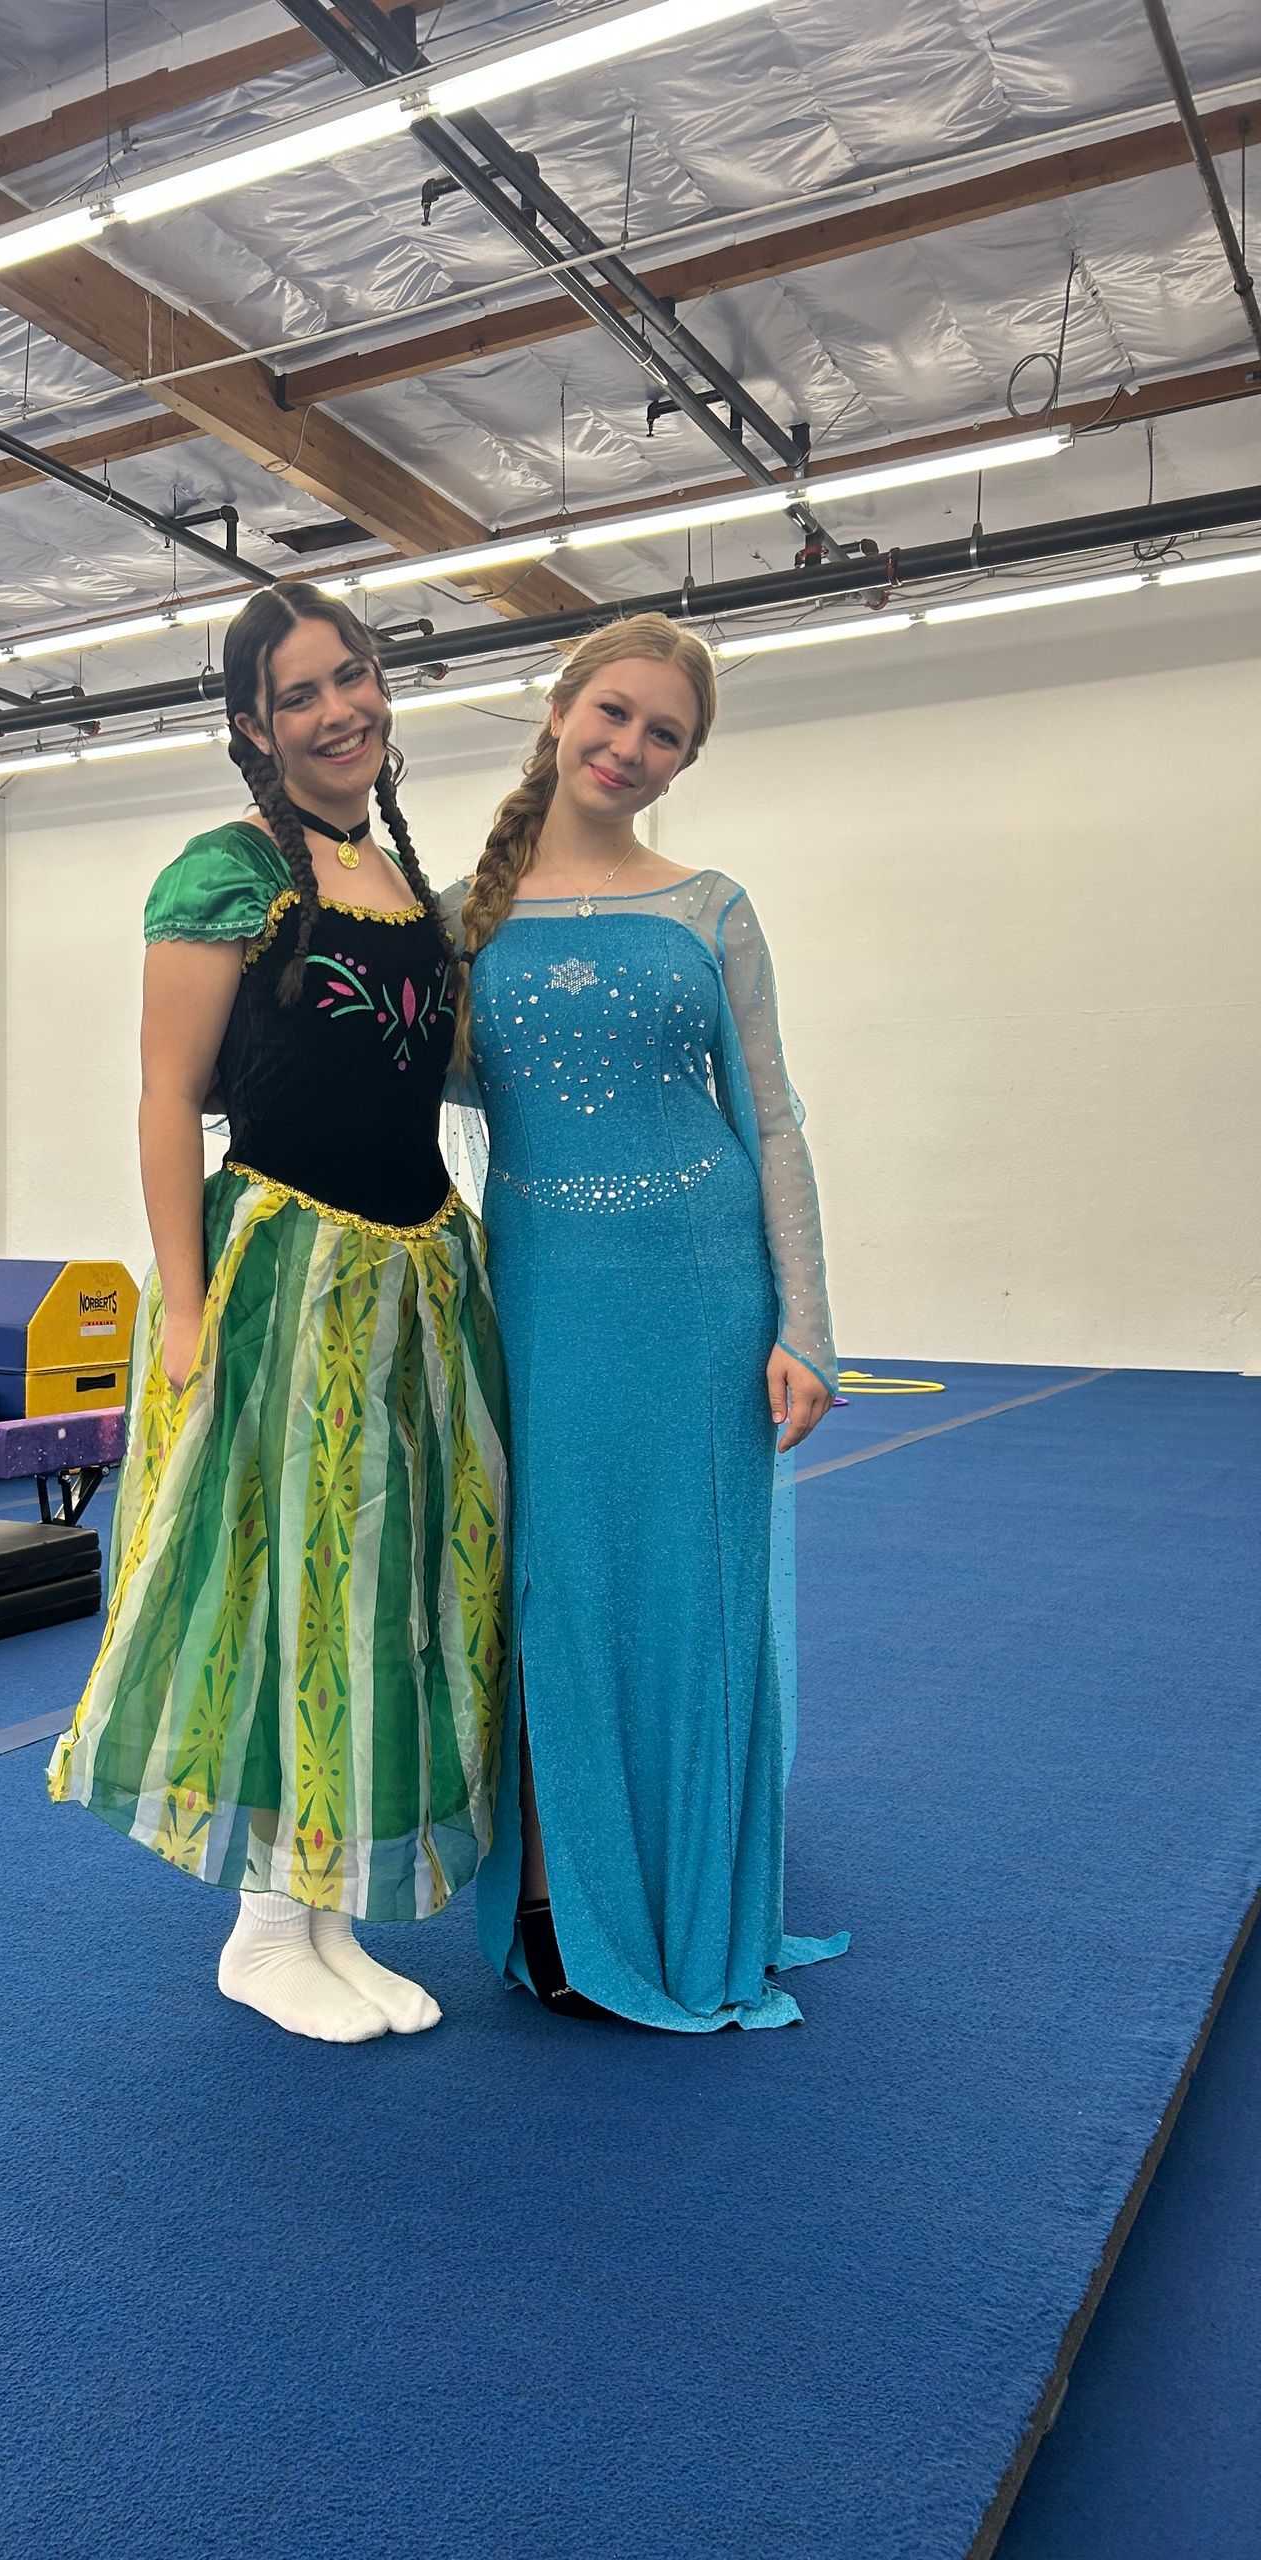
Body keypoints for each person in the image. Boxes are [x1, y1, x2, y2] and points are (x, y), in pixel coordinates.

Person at [49, 582, 509, 2043]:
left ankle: (325, 1913)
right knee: (276, 1582)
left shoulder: (399, 880)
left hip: (413, 1278)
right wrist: (186, 1311)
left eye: (351, 676)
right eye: (299, 694)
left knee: (379, 1589)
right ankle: (260, 1928)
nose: (338, 711)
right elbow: (165, 1099)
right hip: (284, 1277)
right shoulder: (226, 874)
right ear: (254, 726)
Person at [444, 611, 847, 2031]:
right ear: (561, 711)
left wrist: (808, 1323)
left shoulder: (710, 907)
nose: (629, 746)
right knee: (553, 1589)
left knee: (694, 1593)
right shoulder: (459, 920)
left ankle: (691, 1894)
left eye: (664, 733)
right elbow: (380, 1093)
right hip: (545, 1302)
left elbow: (773, 1119)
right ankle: (557, 1892)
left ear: (685, 760)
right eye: (612, 712)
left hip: (704, 1296)